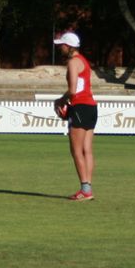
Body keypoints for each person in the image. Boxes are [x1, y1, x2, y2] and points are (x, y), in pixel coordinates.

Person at [52, 31, 97, 201]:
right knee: (87, 150)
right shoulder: (84, 61)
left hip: (80, 107)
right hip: (91, 107)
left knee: (76, 150)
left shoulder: (73, 62)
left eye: (61, 45)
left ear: (68, 46)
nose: (60, 48)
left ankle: (85, 189)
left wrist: (60, 101)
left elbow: (72, 91)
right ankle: (88, 188)